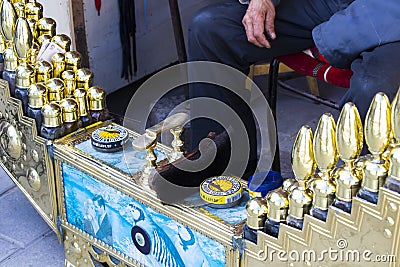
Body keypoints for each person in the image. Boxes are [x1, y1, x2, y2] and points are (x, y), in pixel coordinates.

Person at [187, 0, 400, 176]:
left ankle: (355, 195)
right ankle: (223, 175)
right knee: (210, 29)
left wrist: (335, 36)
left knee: (374, 89)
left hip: (388, 13)